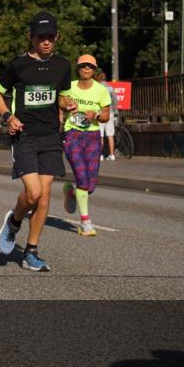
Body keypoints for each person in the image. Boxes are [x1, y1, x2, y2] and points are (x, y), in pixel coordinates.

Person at [0, 11, 76, 272]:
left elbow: (61, 96)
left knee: (45, 196)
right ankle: (14, 221)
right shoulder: (18, 65)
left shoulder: (62, 65)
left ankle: (30, 252)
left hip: (50, 135)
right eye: (41, 37)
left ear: (57, 36)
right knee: (33, 194)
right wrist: (8, 116)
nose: (46, 41)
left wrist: (67, 104)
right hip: (24, 135)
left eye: (50, 36)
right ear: (32, 38)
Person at [61, 54, 111, 236]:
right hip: (72, 134)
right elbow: (60, 101)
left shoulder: (101, 90)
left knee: (90, 185)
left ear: (94, 70)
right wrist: (67, 106)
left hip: (92, 136)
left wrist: (95, 115)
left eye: (90, 66)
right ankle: (85, 222)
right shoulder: (70, 86)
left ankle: (72, 192)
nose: (87, 69)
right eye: (84, 66)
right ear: (78, 68)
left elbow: (106, 115)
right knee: (82, 175)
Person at [96, 70, 119, 160]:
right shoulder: (110, 87)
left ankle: (100, 155)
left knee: (100, 135)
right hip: (110, 113)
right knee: (110, 134)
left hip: (100, 113)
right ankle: (112, 155)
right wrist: (115, 111)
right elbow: (115, 100)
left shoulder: (97, 88)